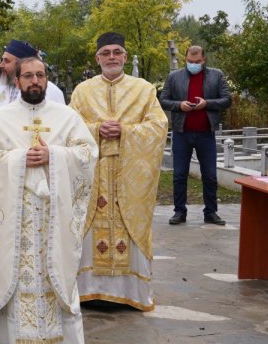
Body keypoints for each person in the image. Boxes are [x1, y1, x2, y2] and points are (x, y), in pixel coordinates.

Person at [0, 57, 97, 344]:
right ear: (16, 81)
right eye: (28, 76)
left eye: (40, 75)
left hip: (56, 215)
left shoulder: (66, 116)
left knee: (57, 272)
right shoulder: (0, 119)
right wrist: (19, 158)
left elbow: (87, 153)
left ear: (46, 79)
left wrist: (53, 155)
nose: (35, 81)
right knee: (18, 274)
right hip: (16, 217)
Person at [69, 33, 168, 311]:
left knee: (129, 224)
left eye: (116, 52)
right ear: (97, 58)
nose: (111, 57)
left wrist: (125, 131)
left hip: (129, 175)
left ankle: (131, 292)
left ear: (124, 56)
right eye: (106, 53)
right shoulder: (82, 92)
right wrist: (96, 129)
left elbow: (158, 127)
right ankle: (90, 290)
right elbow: (69, 128)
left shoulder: (144, 90)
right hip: (94, 174)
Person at [159, 45, 233, 226]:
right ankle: (179, 212)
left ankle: (211, 212)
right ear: (185, 59)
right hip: (181, 133)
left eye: (197, 61)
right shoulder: (174, 77)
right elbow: (163, 100)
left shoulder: (216, 75)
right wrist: (179, 105)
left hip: (206, 133)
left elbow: (227, 99)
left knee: (210, 175)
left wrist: (207, 103)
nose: (193, 64)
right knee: (179, 175)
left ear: (204, 60)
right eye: (190, 61)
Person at [0, 39, 35, 129]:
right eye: (2, 60)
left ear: (21, 64)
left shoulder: (45, 90)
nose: (1, 65)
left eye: (6, 61)